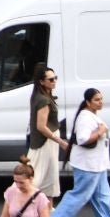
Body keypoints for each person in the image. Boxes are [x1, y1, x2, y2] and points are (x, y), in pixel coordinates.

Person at [52, 88, 110, 217]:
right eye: (96, 100)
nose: (100, 102)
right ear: (88, 102)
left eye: (101, 99)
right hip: (88, 166)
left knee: (102, 197)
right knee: (79, 196)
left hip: (98, 165)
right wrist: (100, 132)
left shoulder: (92, 115)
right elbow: (82, 139)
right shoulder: (85, 117)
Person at [23, 64, 67, 204]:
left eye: (55, 78)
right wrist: (60, 141)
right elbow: (41, 127)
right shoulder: (43, 100)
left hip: (45, 142)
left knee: (47, 176)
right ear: (41, 81)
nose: (54, 81)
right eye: (51, 79)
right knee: (38, 178)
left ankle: (47, 209)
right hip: (45, 143)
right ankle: (24, 206)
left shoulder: (39, 96)